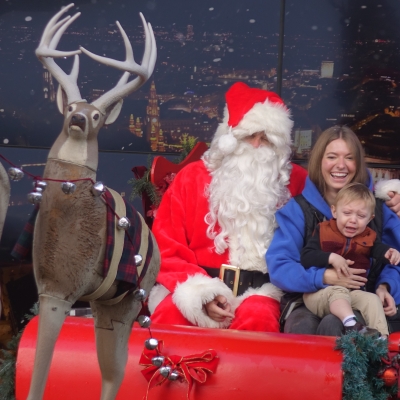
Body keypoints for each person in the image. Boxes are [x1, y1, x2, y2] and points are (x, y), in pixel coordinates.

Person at [148, 82, 308, 331]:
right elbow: (166, 246)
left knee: (258, 319)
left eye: (266, 138)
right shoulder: (192, 177)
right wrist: (203, 294)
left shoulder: (296, 181)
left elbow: (319, 231)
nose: (256, 145)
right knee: (171, 315)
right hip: (198, 283)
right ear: (230, 138)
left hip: (263, 291)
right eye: (249, 135)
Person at [267, 125, 400, 336]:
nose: (340, 165)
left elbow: (394, 260)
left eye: (349, 158)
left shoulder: (380, 209)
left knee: (335, 325)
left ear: (358, 163)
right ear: (320, 161)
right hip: (309, 298)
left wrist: (386, 286)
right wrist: (324, 277)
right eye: (332, 157)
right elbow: (280, 266)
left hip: (363, 296)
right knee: (304, 327)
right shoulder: (298, 209)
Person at [300, 183, 400, 337]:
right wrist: (331, 258)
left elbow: (379, 250)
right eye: (347, 213)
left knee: (372, 299)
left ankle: (381, 340)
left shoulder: (368, 237)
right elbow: (306, 256)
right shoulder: (324, 231)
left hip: (351, 295)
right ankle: (352, 324)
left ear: (370, 218)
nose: (353, 220)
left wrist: (390, 253)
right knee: (338, 290)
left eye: (361, 216)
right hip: (320, 293)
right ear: (334, 211)